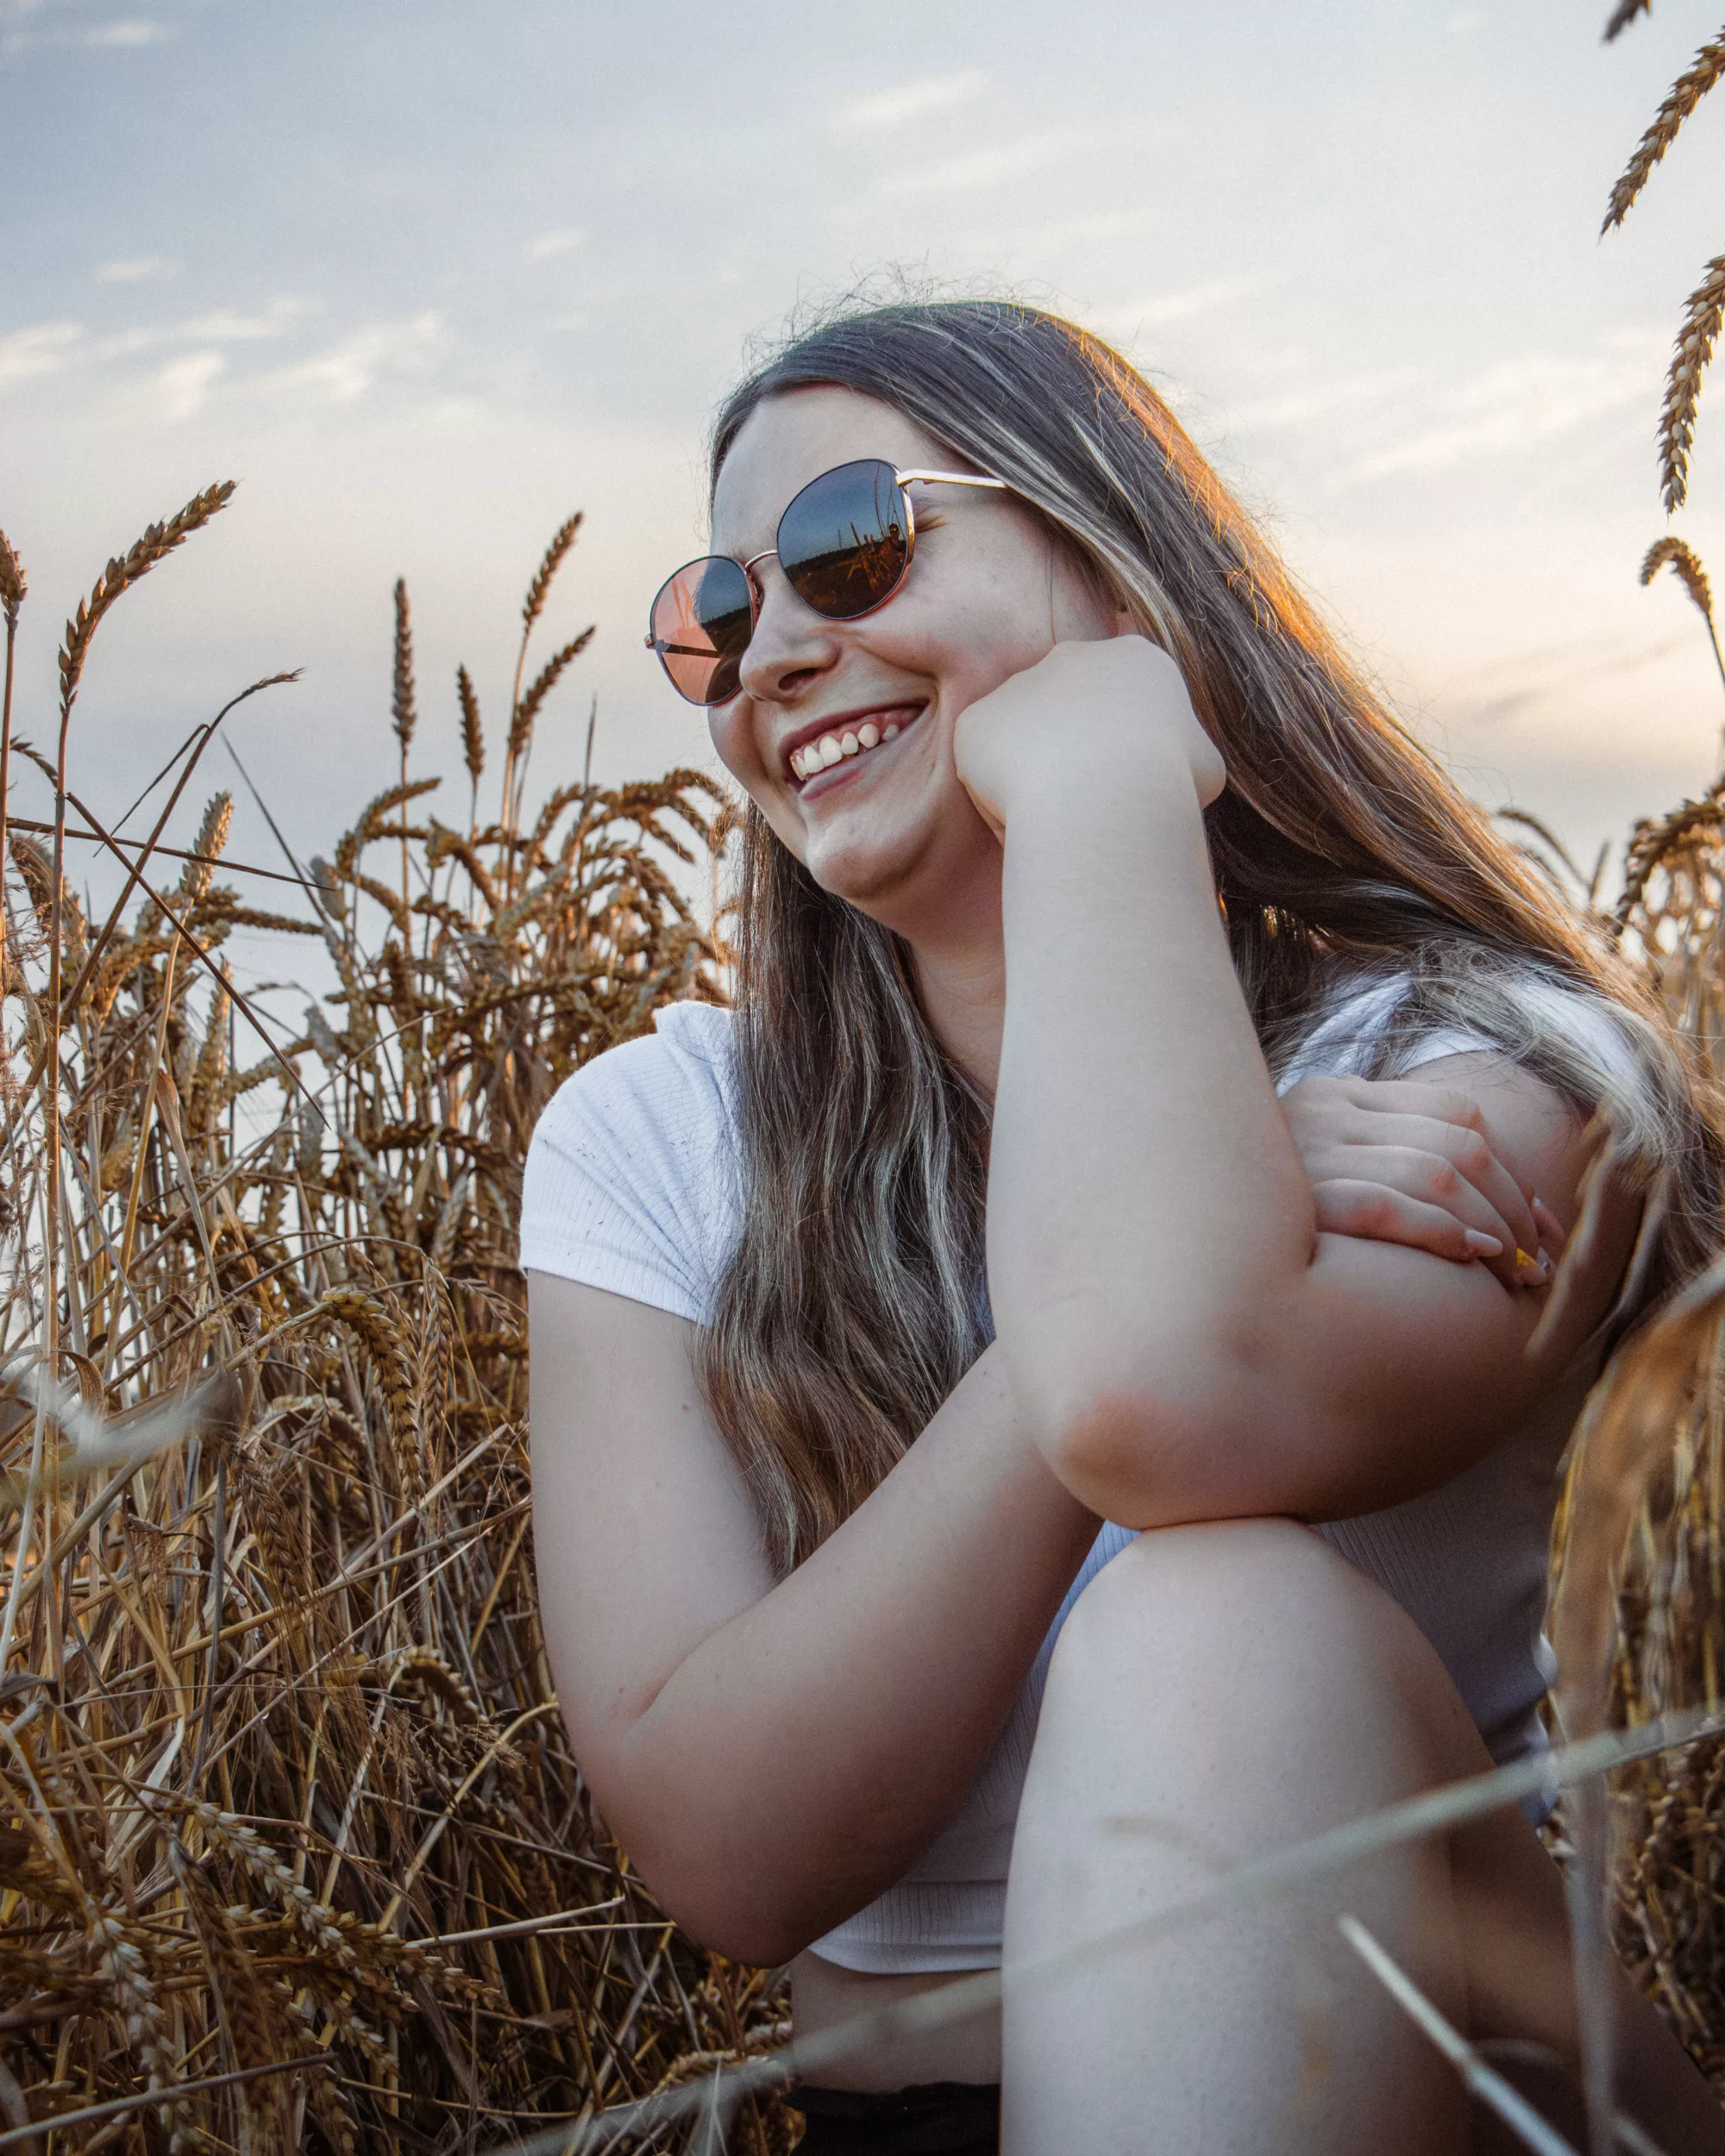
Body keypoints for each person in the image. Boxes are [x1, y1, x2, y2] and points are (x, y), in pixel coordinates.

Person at [523, 300, 1725, 2153]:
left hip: (1442, 2091)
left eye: (855, 540)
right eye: (725, 615)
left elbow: (1170, 1391)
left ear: (1114, 560)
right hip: (903, 2115)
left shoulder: (1485, 1063)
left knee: (1211, 1614)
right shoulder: (657, 1140)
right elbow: (725, 1847)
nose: (777, 655)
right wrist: (1200, 1208)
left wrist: (1091, 774)